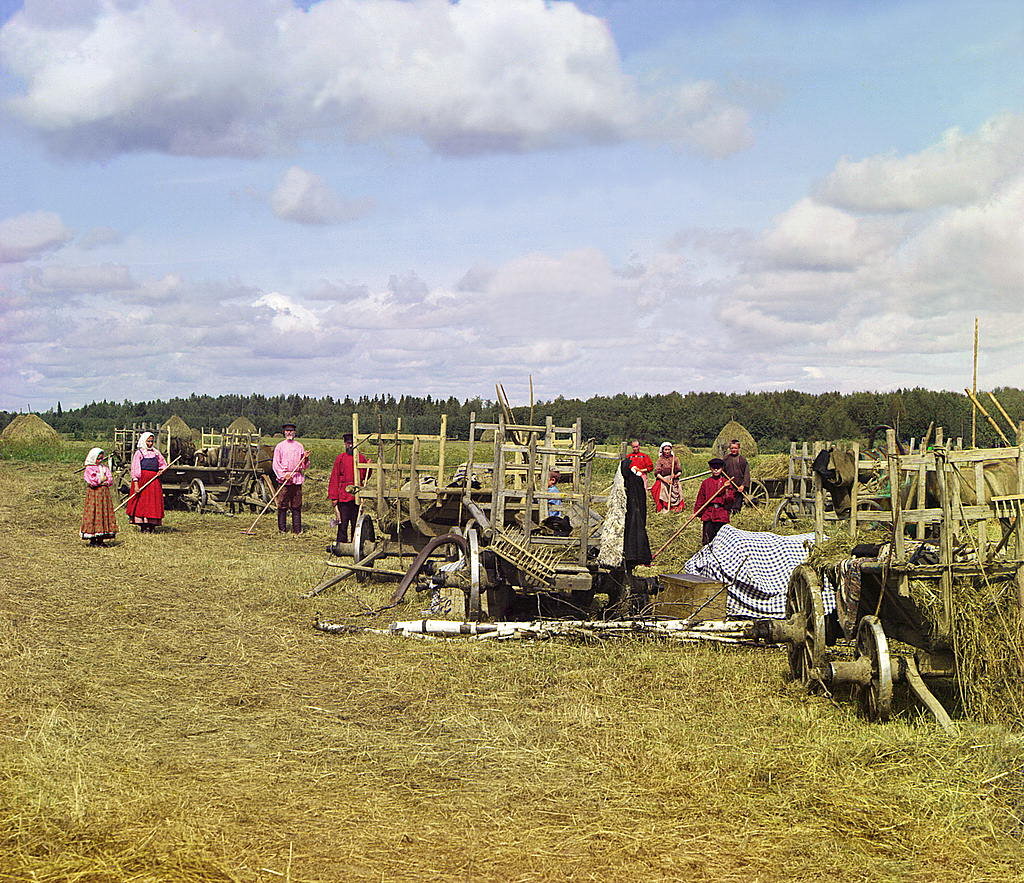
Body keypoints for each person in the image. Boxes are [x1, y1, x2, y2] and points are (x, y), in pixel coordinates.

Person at [327, 433, 368, 546]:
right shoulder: (340, 458)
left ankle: (356, 544)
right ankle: (341, 544)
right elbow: (334, 477)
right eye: (348, 443)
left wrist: (368, 466)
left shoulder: (361, 458)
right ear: (345, 444)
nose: (350, 446)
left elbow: (365, 476)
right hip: (343, 495)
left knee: (356, 521)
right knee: (343, 522)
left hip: (356, 495)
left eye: (352, 444)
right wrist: (334, 496)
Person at [126, 431, 166, 532]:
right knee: (142, 502)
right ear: (144, 441)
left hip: (154, 481)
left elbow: (163, 464)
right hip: (142, 480)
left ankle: (151, 525)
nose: (150, 443)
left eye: (152, 441)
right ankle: (143, 525)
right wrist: (136, 484)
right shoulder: (139, 453)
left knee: (153, 502)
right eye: (148, 441)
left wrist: (161, 471)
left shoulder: (156, 453)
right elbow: (135, 468)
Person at [273, 423, 309, 534]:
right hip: (284, 479)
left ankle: (297, 530)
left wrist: (306, 459)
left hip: (296, 478)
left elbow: (304, 465)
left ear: (295, 432)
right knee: (282, 504)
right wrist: (284, 475)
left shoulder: (299, 446)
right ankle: (282, 529)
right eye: (287, 431)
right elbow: (275, 464)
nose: (289, 433)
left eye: (291, 431)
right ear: (284, 432)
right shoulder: (280, 446)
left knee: (296, 505)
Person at [694, 458, 735, 546]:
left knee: (721, 540)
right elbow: (701, 498)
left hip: (721, 513)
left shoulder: (726, 482)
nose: (716, 470)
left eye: (718, 468)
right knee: (707, 540)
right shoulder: (706, 482)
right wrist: (697, 512)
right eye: (713, 468)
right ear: (710, 469)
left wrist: (727, 489)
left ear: (722, 469)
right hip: (709, 513)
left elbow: (730, 500)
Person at [80, 448, 117, 546]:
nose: (100, 461)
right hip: (94, 494)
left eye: (101, 459)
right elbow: (92, 482)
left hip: (104, 494)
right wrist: (101, 479)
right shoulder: (89, 468)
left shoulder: (104, 468)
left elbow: (109, 479)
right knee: (93, 513)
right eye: (98, 459)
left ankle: (101, 539)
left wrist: (103, 480)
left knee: (104, 513)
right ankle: (92, 539)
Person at [651, 442, 685, 513]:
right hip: (664, 479)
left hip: (674, 479)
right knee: (662, 490)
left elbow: (679, 471)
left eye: (668, 449)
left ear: (671, 450)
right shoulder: (660, 460)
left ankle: (675, 507)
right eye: (665, 450)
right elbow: (657, 474)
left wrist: (675, 476)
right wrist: (665, 481)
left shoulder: (675, 459)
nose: (667, 451)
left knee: (678, 491)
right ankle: (665, 507)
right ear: (662, 450)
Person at [722, 439, 751, 515]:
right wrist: (725, 481)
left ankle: (736, 513)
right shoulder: (726, 459)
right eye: (732, 448)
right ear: (729, 449)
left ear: (739, 449)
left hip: (739, 484)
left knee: (738, 501)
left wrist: (743, 485)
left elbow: (746, 474)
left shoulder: (742, 460)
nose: (733, 450)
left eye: (735, 448)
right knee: (728, 499)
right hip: (729, 484)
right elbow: (722, 472)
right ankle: (728, 512)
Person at [542, 469, 571, 535]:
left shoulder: (552, 491)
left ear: (552, 480)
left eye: (544, 479)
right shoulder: (552, 490)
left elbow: (540, 502)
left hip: (552, 518)